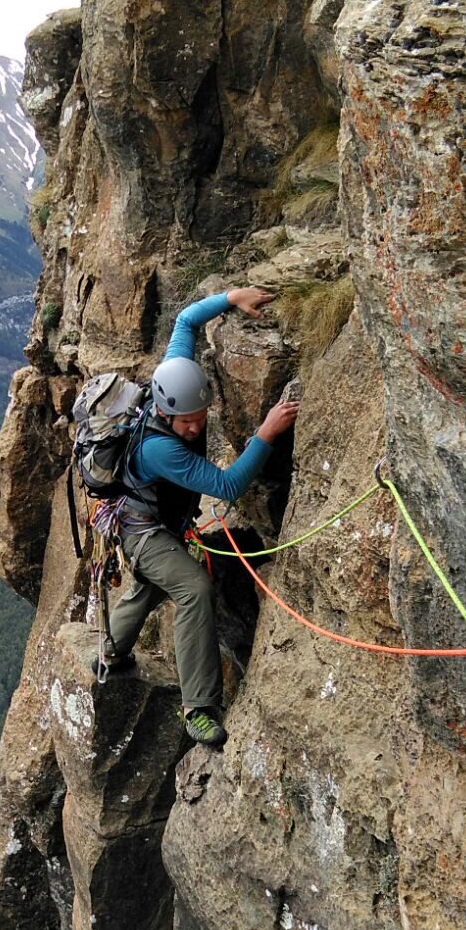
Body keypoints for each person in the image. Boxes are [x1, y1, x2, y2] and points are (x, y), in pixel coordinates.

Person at [101, 287, 299, 746]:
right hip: (143, 531)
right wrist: (266, 433)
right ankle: (199, 709)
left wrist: (234, 297)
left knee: (151, 586)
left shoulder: (173, 375)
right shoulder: (160, 449)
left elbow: (187, 321)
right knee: (192, 587)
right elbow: (229, 486)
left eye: (200, 417)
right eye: (187, 422)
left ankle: (109, 654)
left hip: (143, 519)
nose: (195, 426)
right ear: (166, 413)